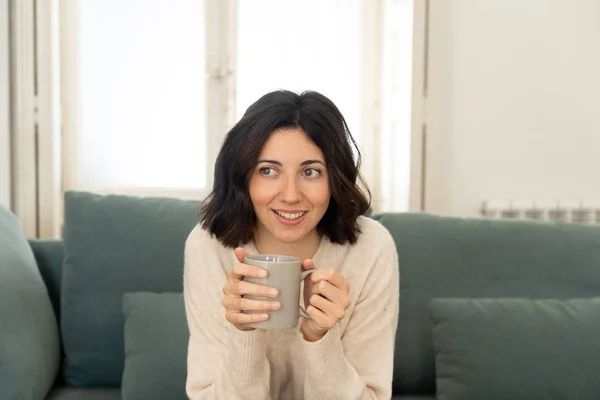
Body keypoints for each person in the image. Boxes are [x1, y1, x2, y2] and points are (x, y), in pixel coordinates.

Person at [184, 90, 399, 399]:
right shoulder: (209, 247)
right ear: (243, 177)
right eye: (268, 171)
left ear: (335, 179)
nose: (290, 195)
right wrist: (243, 333)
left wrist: (320, 338)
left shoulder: (371, 249)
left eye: (310, 172)